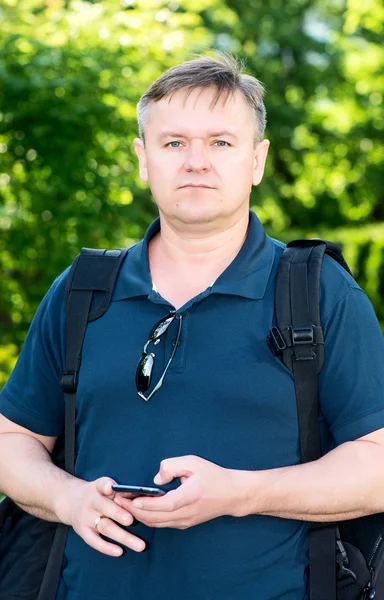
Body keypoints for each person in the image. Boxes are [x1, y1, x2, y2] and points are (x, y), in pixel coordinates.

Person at [0, 53, 384, 600]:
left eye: (221, 142)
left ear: (257, 160)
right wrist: (67, 498)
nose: (196, 161)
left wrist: (239, 494)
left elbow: (377, 466)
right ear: (143, 158)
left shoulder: (317, 293)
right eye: (174, 142)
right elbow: (12, 440)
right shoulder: (83, 291)